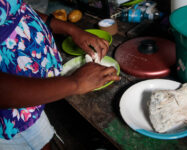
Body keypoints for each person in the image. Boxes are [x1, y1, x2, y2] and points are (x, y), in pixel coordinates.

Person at [0, 0, 120, 150]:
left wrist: (72, 30)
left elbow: (17, 11)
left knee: (43, 140)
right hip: (11, 116)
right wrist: (75, 83)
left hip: (31, 97)